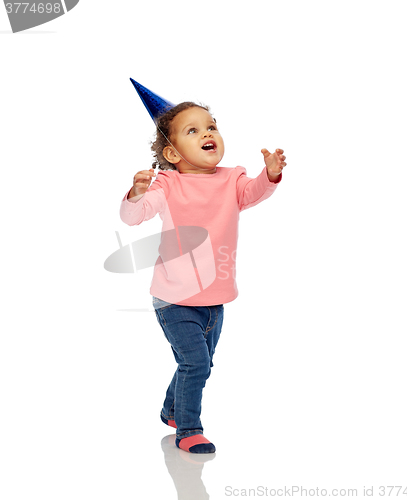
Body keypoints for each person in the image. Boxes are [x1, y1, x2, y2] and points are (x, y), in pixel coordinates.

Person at [120, 101, 286, 453]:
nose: (208, 133)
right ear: (172, 152)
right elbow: (135, 216)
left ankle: (171, 409)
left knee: (200, 363)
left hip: (215, 297)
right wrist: (136, 193)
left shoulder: (232, 179)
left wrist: (268, 174)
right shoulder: (167, 183)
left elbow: (252, 193)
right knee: (194, 362)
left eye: (211, 126)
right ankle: (188, 428)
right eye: (192, 130)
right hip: (174, 298)